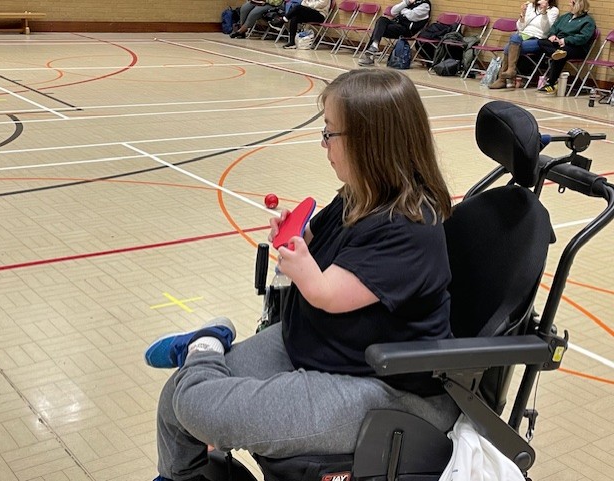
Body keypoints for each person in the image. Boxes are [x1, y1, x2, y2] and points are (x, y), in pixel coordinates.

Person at [145, 69, 459, 481]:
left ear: (369, 142)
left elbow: (326, 292)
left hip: (382, 386)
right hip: (317, 344)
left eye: (330, 133)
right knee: (174, 398)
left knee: (196, 405)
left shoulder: (409, 227)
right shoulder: (360, 194)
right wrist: (296, 237)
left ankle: (203, 346)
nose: (323, 144)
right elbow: (319, 242)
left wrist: (302, 268)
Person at [489, 0, 559, 89]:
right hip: (523, 36)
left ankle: (502, 79)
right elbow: (520, 28)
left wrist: (544, 12)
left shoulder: (553, 10)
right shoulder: (531, 6)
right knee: (514, 36)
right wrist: (522, 14)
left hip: (538, 39)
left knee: (507, 47)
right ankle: (510, 71)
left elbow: (546, 30)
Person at [537, 0, 596, 94]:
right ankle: (555, 53)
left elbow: (583, 38)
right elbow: (554, 27)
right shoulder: (565, 17)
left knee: (562, 53)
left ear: (577, 5)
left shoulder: (588, 21)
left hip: (576, 47)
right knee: (542, 42)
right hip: (559, 43)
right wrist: (552, 35)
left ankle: (551, 83)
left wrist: (566, 40)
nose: (569, 4)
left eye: (571, 3)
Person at [358, 0, 432, 66]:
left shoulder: (425, 5)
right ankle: (374, 45)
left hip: (407, 30)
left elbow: (411, 16)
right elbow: (393, 11)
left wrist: (402, 10)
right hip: (397, 25)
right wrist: (406, 3)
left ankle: (370, 55)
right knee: (382, 20)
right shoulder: (408, 2)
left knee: (378, 30)